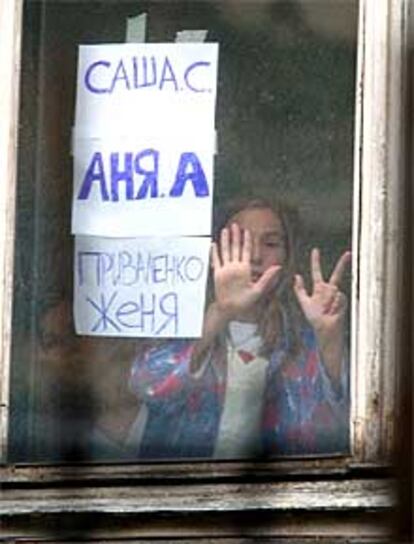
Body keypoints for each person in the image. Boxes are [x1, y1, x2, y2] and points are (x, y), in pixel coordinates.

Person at [129, 197, 351, 460]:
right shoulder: (179, 324)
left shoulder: (301, 343)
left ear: (288, 256)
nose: (255, 255)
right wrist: (220, 313)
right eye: (240, 241)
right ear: (215, 253)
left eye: (270, 243)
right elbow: (147, 386)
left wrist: (329, 338)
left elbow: (344, 425)